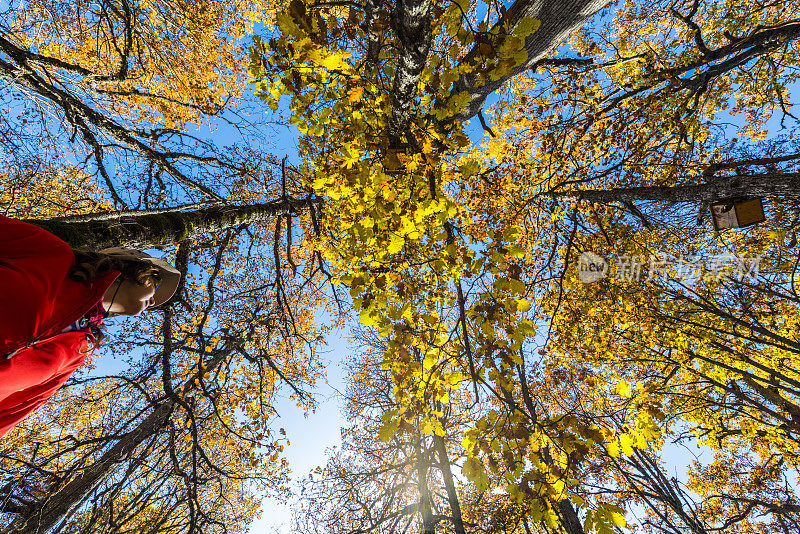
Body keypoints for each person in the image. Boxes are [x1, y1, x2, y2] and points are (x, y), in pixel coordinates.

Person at [0, 215, 181, 438]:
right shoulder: (52, 253)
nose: (154, 302)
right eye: (156, 284)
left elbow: (19, 407)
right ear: (132, 269)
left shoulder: (78, 351)